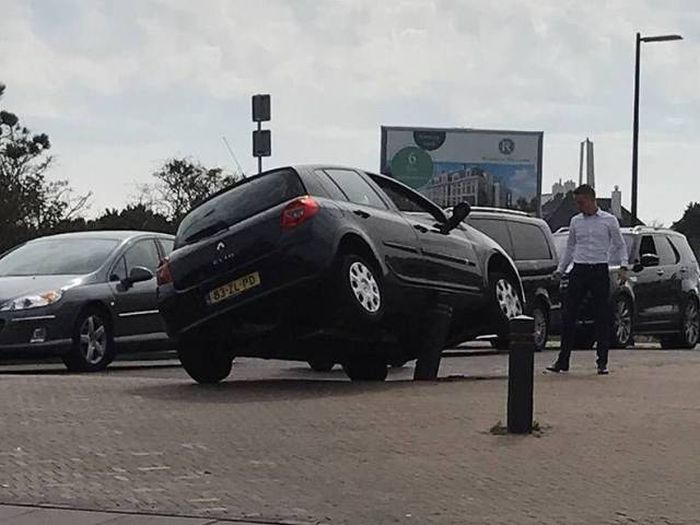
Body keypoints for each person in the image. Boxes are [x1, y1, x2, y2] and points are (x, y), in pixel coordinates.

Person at [547, 184, 628, 375]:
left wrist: (623, 266)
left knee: (602, 315)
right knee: (569, 314)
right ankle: (563, 360)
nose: (579, 206)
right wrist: (561, 269)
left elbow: (619, 244)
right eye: (577, 203)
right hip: (579, 268)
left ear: (592, 200)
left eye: (581, 202)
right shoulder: (575, 221)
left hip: (599, 269)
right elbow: (570, 247)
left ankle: (602, 362)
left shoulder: (609, 221)